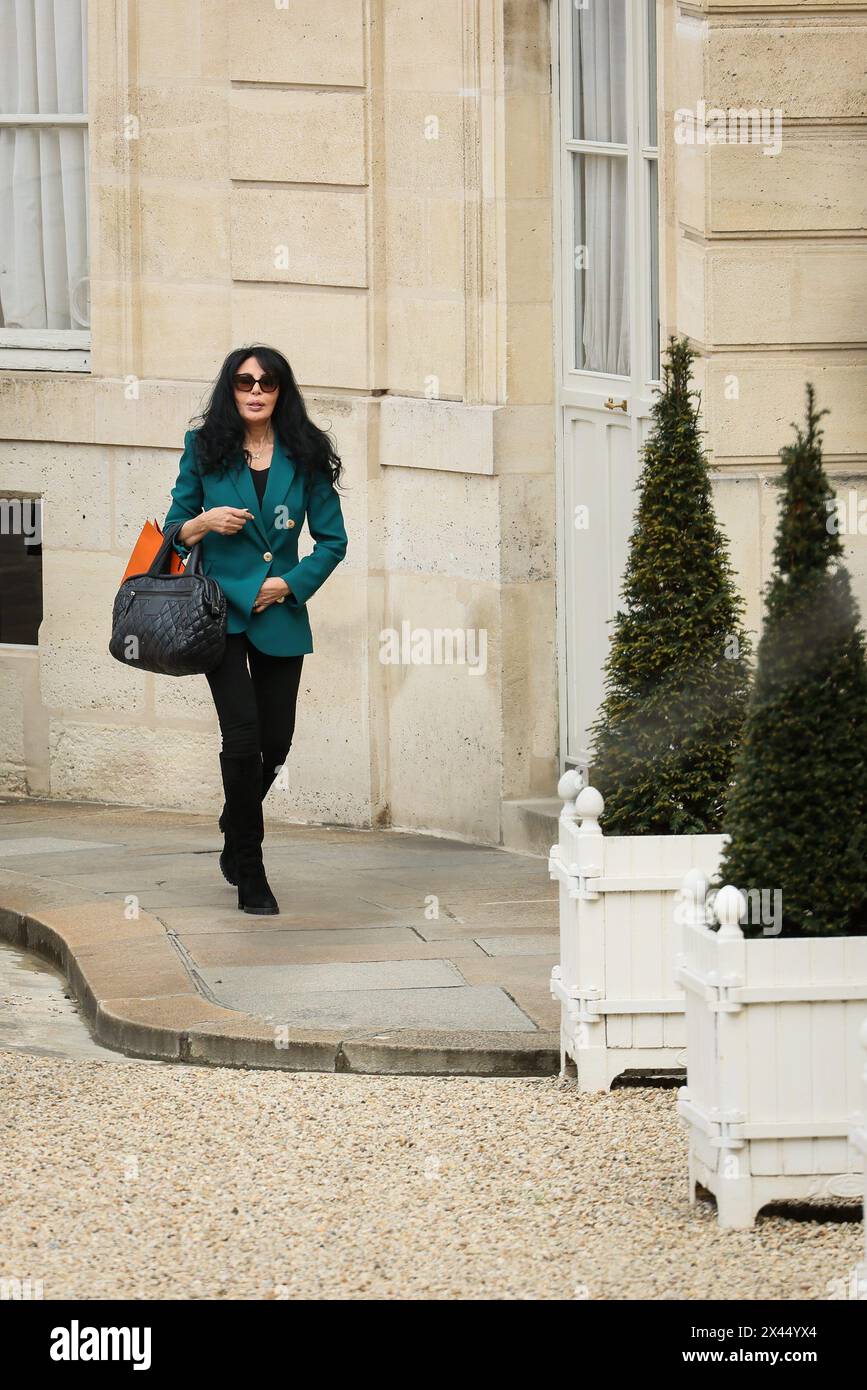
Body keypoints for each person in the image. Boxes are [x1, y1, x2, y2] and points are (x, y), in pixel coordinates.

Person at [163, 344, 347, 914]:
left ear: (281, 392)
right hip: (219, 611)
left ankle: (232, 820)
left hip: (280, 611)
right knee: (241, 738)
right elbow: (171, 530)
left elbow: (334, 541)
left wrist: (289, 584)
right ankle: (250, 867)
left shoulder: (306, 453)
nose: (255, 392)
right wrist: (202, 523)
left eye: (267, 384)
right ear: (231, 389)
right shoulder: (204, 448)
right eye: (244, 383)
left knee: (276, 742)